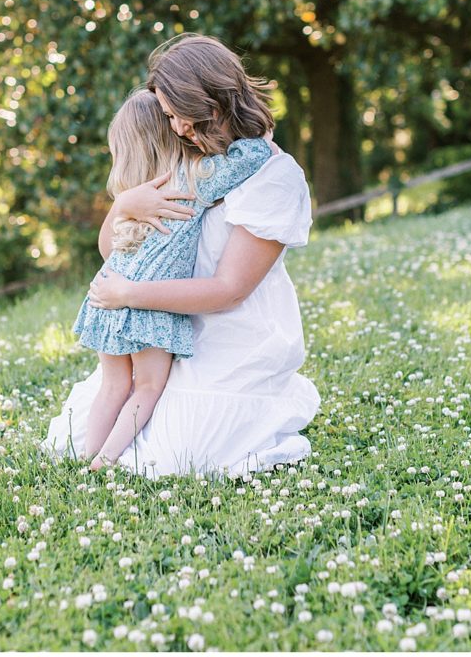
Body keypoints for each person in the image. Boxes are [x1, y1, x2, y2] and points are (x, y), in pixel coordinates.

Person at [43, 34, 320, 477]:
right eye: (168, 117)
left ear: (211, 105)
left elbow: (229, 290)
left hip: (231, 343)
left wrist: (129, 294)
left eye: (179, 115)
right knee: (73, 438)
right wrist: (124, 206)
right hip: (166, 332)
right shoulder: (187, 156)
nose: (175, 128)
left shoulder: (270, 175)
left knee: (174, 459)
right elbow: (112, 249)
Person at [72, 86, 272, 470]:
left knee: (112, 385)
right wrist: (260, 132)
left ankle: (85, 457)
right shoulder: (195, 178)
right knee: (146, 386)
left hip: (104, 292)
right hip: (148, 302)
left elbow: (107, 250)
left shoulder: (132, 193)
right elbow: (253, 157)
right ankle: (106, 460)